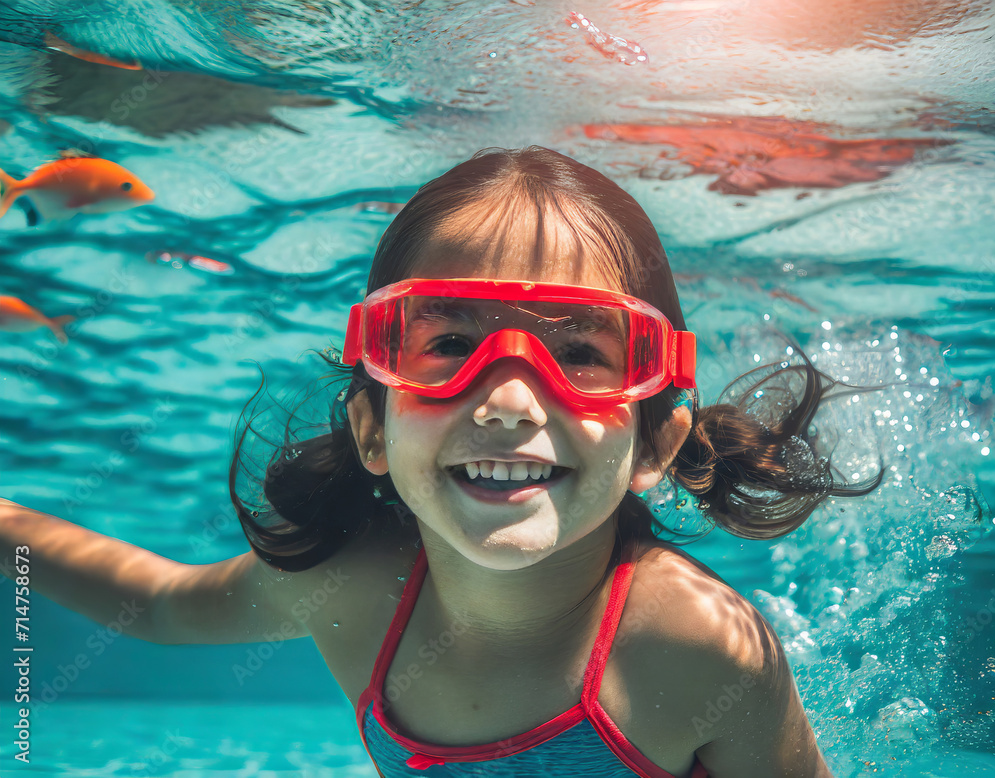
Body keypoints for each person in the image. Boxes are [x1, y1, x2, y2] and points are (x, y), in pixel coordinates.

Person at [0, 147, 880, 777]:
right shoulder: (352, 587)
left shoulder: (697, 650)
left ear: (656, 441)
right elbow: (157, 604)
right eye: (448, 342)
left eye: (579, 356)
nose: (506, 399)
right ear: (374, 430)